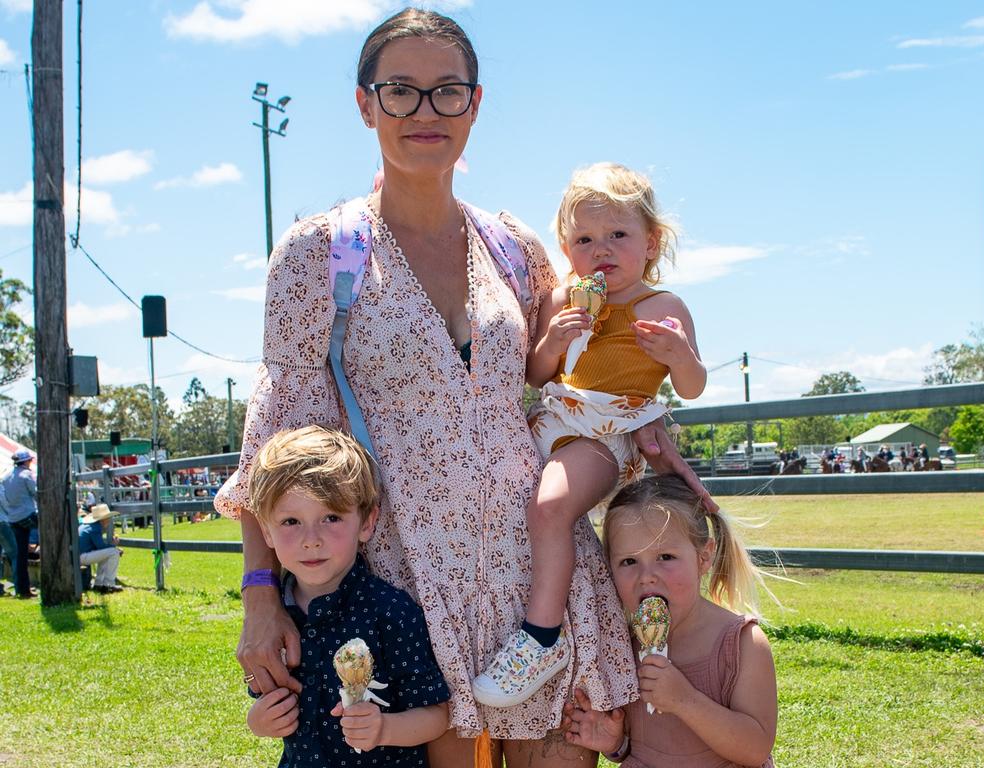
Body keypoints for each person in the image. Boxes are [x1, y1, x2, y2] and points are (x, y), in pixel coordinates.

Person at [214, 8, 714, 766]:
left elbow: (583, 368)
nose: (425, 112)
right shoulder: (321, 254)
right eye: (400, 91)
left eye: (448, 91)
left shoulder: (515, 248)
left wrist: (648, 415)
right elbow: (276, 448)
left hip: (537, 578)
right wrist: (260, 593)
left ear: (475, 104)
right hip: (408, 583)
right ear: (364, 104)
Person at [473, 163, 706, 707]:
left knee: (551, 506)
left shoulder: (664, 308)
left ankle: (541, 637)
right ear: (565, 247)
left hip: (609, 434)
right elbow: (535, 375)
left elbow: (692, 387)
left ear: (650, 242)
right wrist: (552, 341)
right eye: (585, 239)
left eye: (618, 235)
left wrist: (680, 357)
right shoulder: (563, 301)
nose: (602, 249)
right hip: (554, 420)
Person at [244, 426, 450, 765]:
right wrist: (259, 721)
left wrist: (384, 728)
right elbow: (262, 695)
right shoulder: (274, 620)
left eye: (331, 517)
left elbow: (435, 716)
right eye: (291, 521)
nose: (311, 539)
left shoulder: (391, 611)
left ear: (366, 523)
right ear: (266, 530)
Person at [561, 475, 777, 767]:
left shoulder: (743, 643)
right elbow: (646, 748)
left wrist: (684, 700)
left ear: (704, 557)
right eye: (629, 562)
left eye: (665, 556)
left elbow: (754, 749)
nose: (647, 575)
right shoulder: (622, 646)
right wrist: (615, 744)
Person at [2, 450, 38, 598]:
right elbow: (36, 493)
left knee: (20, 554)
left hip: (13, 518)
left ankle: (21, 588)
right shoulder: (26, 475)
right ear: (26, 461)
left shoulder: (6, 477)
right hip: (27, 515)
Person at [78, 504, 123, 593]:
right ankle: (109, 584)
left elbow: (99, 548)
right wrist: (115, 546)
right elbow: (101, 546)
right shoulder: (95, 528)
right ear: (103, 519)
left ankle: (99, 584)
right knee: (114, 552)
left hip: (79, 555)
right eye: (108, 517)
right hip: (82, 556)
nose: (109, 520)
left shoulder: (89, 525)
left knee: (107, 554)